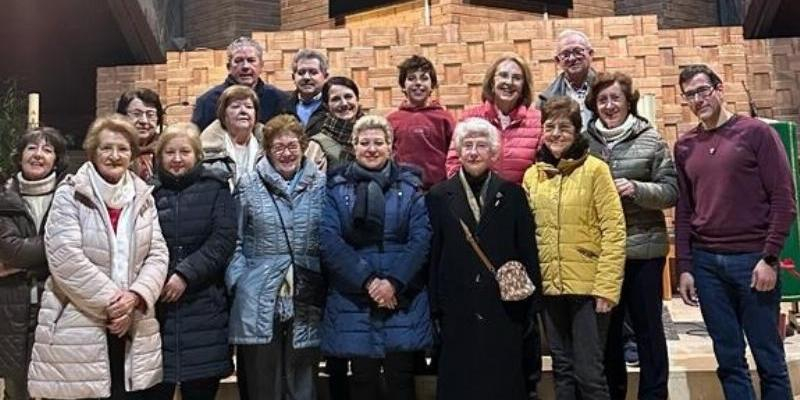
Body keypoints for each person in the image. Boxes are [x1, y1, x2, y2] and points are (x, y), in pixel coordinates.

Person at [675, 64, 796, 400]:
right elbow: (685, 210)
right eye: (690, 95)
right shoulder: (684, 146)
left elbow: (784, 199)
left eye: (703, 90)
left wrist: (769, 257)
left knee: (768, 357)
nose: (698, 99)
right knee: (728, 360)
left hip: (752, 261)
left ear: (719, 88)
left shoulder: (756, 133)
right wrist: (685, 266)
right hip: (707, 264)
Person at [28, 115, 168, 399]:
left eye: (123, 148)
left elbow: (158, 253)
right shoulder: (70, 193)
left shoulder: (144, 196)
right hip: (79, 323)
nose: (114, 156)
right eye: (106, 148)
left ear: (132, 154)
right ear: (93, 151)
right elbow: (65, 258)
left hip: (134, 326)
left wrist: (136, 297)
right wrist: (115, 306)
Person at [427, 117, 542, 400]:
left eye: (481, 145)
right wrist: (434, 307)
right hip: (457, 305)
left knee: (503, 380)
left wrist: (532, 305)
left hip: (504, 306)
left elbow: (527, 249)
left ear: (493, 152)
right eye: (468, 145)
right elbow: (433, 254)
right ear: (458, 151)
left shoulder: (512, 194)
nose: (474, 152)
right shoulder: (439, 196)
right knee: (460, 381)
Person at [320, 115, 432, 400]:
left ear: (390, 146)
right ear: (353, 146)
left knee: (401, 382)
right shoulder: (335, 188)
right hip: (354, 297)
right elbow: (329, 240)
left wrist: (393, 282)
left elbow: (421, 239)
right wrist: (369, 281)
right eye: (364, 143)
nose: (371, 149)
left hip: (400, 296)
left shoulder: (410, 187)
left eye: (378, 143)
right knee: (362, 381)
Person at [522, 96, 625, 400]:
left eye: (564, 127)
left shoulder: (595, 170)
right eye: (549, 126)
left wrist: (607, 287)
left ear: (577, 131)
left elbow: (614, 230)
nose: (555, 133)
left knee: (589, 374)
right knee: (563, 371)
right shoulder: (533, 175)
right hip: (550, 287)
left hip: (588, 288)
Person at [584, 72, 676, 400]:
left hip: (643, 251)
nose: (609, 106)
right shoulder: (585, 141)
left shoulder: (651, 139)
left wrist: (637, 189)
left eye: (615, 99)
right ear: (594, 104)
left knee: (648, 332)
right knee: (607, 336)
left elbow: (670, 191)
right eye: (602, 100)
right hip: (602, 254)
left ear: (628, 102)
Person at [226, 114, 326, 400]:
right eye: (278, 147)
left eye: (292, 145)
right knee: (262, 380)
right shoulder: (248, 184)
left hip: (307, 292)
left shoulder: (321, 185)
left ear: (303, 146)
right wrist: (240, 281)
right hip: (258, 292)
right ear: (267, 150)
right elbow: (235, 239)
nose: (286, 153)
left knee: (302, 377)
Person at [149, 123, 237, 400]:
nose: (177, 158)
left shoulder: (216, 189)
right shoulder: (148, 195)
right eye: (170, 152)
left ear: (197, 156)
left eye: (184, 151)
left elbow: (222, 240)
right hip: (158, 307)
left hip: (204, 305)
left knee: (199, 390)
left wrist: (185, 274)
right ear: (159, 157)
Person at [0, 127, 68, 400]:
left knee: (57, 388)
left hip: (57, 306)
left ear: (56, 159)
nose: (38, 155)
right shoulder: (4, 197)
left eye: (47, 149)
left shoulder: (70, 195)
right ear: (20, 156)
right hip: (11, 307)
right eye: (32, 148)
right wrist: (56, 250)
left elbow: (76, 247)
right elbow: (12, 251)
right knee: (17, 388)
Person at [444, 54, 542, 185]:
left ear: (524, 86)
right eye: (503, 75)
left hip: (520, 201)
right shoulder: (469, 117)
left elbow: (541, 170)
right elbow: (454, 164)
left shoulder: (537, 121)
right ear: (492, 82)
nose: (509, 82)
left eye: (517, 78)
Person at [387, 55, 455, 191]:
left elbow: (454, 155)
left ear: (432, 86)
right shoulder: (392, 120)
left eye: (424, 78)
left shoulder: (445, 118)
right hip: (403, 190)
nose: (418, 83)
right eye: (411, 78)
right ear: (403, 86)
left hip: (439, 190)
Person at [192, 36, 285, 131]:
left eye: (251, 60)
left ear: (261, 65)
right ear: (229, 67)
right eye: (239, 61)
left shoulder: (279, 99)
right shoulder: (207, 102)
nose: (245, 66)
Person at [200, 85, 264, 188]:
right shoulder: (206, 150)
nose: (243, 111)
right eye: (235, 106)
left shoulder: (268, 147)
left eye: (249, 107)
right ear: (223, 114)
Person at [538, 29, 598, 130]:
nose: (572, 58)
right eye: (565, 54)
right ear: (558, 60)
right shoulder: (546, 99)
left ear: (591, 54)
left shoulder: (607, 88)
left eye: (578, 52)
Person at [305, 76, 364, 172]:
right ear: (326, 105)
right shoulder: (318, 145)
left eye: (348, 97)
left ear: (357, 99)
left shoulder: (373, 134)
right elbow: (307, 182)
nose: (344, 103)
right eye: (336, 99)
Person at [117, 88, 165, 180]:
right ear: (122, 116)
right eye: (136, 114)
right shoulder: (112, 149)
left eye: (150, 115)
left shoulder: (167, 148)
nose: (144, 121)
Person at [280, 49, 329, 135]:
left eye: (313, 72)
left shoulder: (332, 106)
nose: (306, 77)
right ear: (293, 77)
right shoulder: (282, 105)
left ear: (325, 77)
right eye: (301, 72)